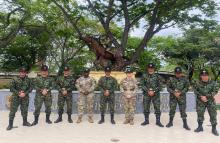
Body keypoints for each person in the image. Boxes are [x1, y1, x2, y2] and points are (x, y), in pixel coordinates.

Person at [193, 69, 219, 136]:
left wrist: (206, 97)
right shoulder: (197, 83)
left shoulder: (214, 83)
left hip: (210, 101)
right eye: (203, 75)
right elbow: (195, 90)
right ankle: (200, 127)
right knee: (200, 114)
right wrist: (201, 96)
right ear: (201, 76)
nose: (204, 77)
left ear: (208, 76)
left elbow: (215, 91)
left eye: (206, 75)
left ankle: (214, 129)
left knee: (213, 115)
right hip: (200, 101)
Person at [140, 63, 164, 127]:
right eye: (149, 68)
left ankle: (158, 121)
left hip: (155, 95)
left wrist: (154, 91)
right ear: (147, 69)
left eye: (152, 68)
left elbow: (161, 86)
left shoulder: (157, 76)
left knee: (157, 108)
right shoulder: (144, 76)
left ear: (154, 69)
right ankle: (146, 120)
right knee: (146, 108)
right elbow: (142, 85)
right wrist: (148, 91)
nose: (150, 69)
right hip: (146, 94)